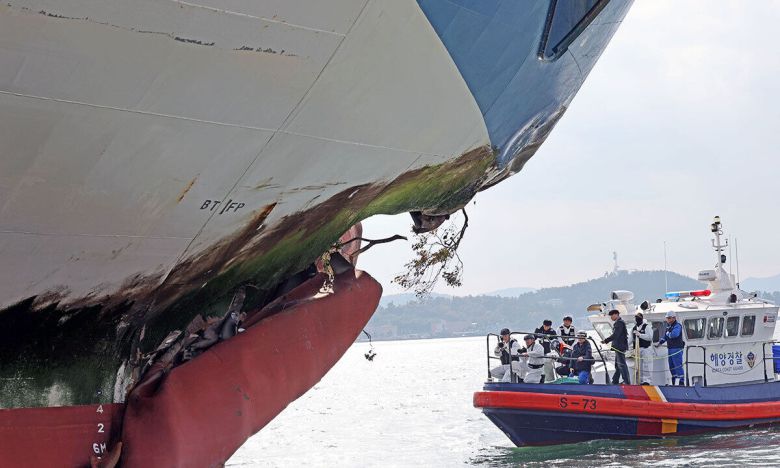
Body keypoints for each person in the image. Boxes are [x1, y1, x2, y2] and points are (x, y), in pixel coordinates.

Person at [656, 311, 685, 385]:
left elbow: (674, 334)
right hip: (670, 349)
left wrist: (668, 334)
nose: (668, 320)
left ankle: (681, 383)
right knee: (671, 367)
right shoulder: (669, 326)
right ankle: (674, 382)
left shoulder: (677, 326)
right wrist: (659, 343)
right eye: (667, 318)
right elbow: (665, 337)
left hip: (676, 349)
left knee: (677, 366)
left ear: (674, 318)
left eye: (669, 318)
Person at [602, 309, 631, 384]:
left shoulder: (619, 323)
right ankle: (615, 381)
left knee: (621, 364)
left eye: (611, 315)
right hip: (618, 347)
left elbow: (615, 335)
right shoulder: (619, 323)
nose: (611, 317)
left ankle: (627, 381)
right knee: (617, 365)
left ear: (616, 314)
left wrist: (606, 340)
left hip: (619, 347)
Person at [632, 312, 653, 385]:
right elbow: (631, 339)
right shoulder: (634, 328)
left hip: (646, 349)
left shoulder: (646, 327)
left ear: (642, 319)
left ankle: (647, 381)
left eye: (638, 318)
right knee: (638, 365)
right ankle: (640, 381)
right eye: (636, 318)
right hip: (638, 349)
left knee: (647, 365)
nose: (637, 319)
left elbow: (650, 337)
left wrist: (640, 335)